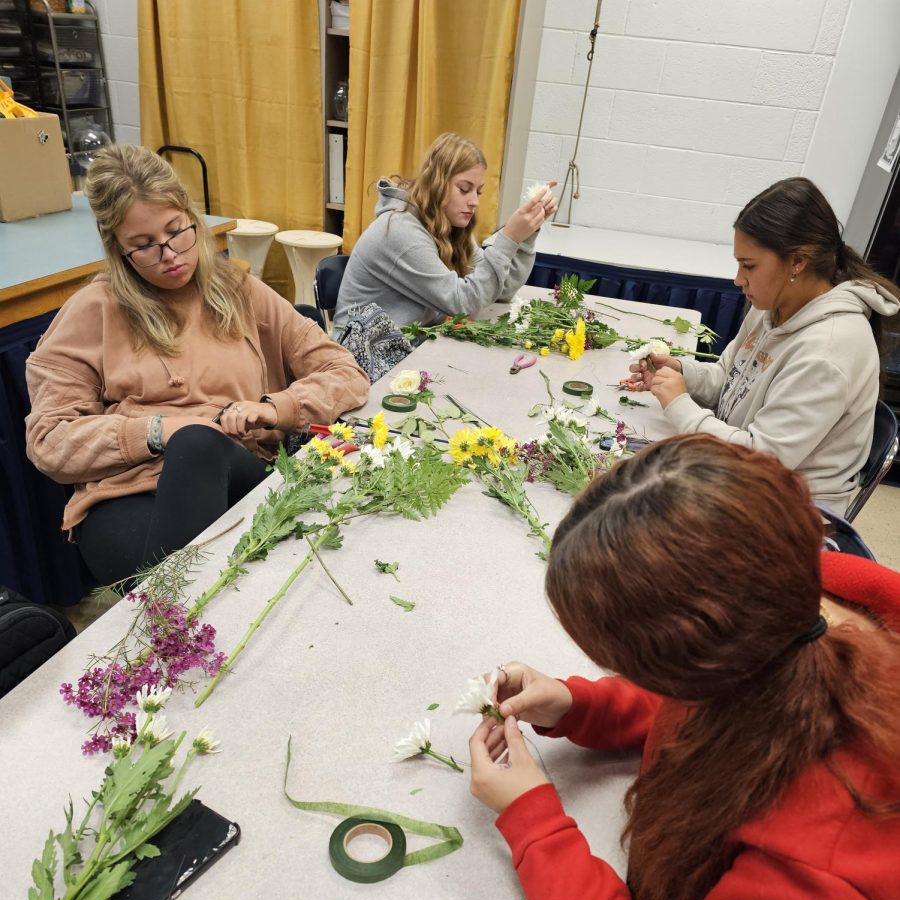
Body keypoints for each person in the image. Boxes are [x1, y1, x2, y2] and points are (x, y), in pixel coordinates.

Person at [467, 434, 900, 900]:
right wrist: (583, 704)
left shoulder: (827, 850)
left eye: (622, 664)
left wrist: (536, 822)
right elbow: (719, 703)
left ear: (696, 664)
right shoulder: (793, 599)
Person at [25, 144, 369, 587]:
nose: (170, 255)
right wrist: (156, 432)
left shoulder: (240, 291)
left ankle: (166, 632)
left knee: (198, 449)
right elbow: (49, 442)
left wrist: (276, 408)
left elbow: (346, 374)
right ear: (117, 250)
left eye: (176, 232)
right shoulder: (93, 311)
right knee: (191, 554)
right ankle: (178, 628)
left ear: (192, 216)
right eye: (144, 246)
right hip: (126, 495)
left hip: (235, 475)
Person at [629, 177, 900, 515]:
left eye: (749, 266)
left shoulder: (829, 351)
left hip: (790, 511)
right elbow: (727, 379)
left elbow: (760, 461)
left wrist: (681, 405)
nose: (738, 279)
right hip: (748, 476)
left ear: (797, 263)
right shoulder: (773, 305)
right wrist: (682, 373)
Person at [333, 131, 557, 332]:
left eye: (478, 192)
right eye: (464, 189)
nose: (474, 202)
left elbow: (499, 290)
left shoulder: (448, 223)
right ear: (436, 183)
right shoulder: (401, 232)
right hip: (365, 357)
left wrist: (526, 234)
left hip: (408, 347)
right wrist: (509, 238)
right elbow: (463, 305)